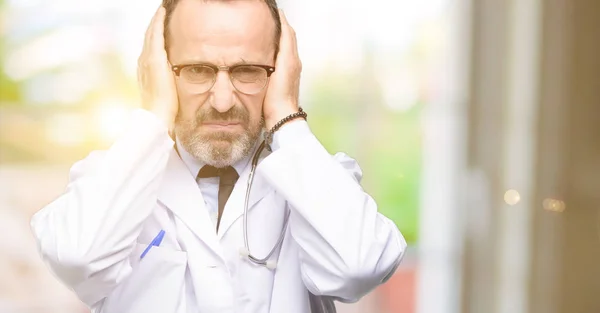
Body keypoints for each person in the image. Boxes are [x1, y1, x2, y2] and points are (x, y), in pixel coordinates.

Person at [30, 0, 407, 312]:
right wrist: (154, 115)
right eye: (197, 70)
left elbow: (360, 266)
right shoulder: (110, 179)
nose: (223, 102)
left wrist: (286, 116)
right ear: (158, 69)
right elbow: (77, 257)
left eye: (248, 71)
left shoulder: (316, 178)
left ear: (281, 73)